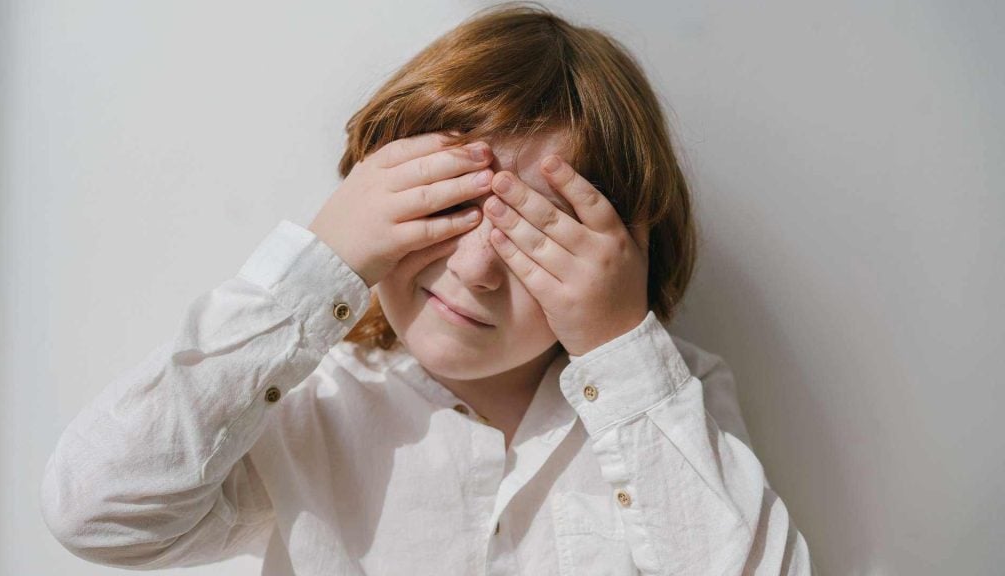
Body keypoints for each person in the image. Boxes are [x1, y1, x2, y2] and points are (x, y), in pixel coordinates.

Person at [40, 3, 816, 574]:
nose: (476, 268)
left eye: (535, 235)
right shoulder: (314, 404)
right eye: (447, 208)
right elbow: (98, 510)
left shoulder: (672, 397)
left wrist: (619, 347)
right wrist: (322, 263)